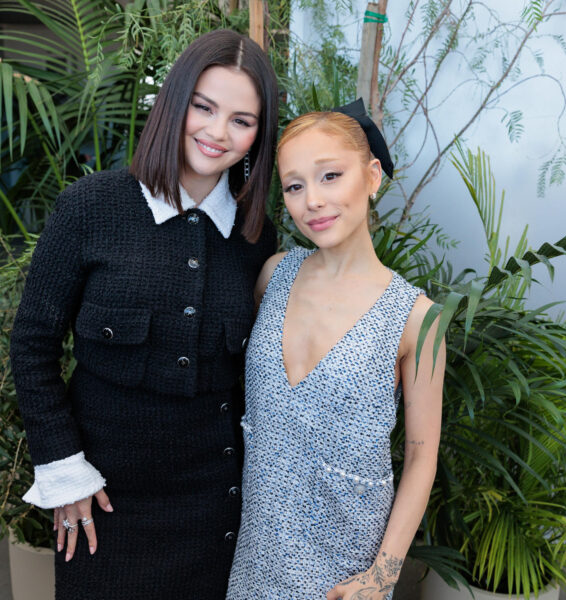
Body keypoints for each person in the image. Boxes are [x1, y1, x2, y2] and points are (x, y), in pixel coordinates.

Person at [9, 29, 278, 599]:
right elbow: (33, 344)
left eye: (241, 119)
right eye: (203, 108)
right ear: (174, 102)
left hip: (212, 505)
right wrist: (63, 468)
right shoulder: (91, 208)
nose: (215, 132)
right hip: (102, 497)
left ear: (259, 134)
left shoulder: (256, 239)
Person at [226, 100, 445, 600]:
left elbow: (421, 456)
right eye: (295, 186)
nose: (313, 201)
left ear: (372, 177)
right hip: (256, 557)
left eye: (330, 176)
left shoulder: (418, 319)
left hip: (346, 572)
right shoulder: (273, 275)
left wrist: (382, 575)